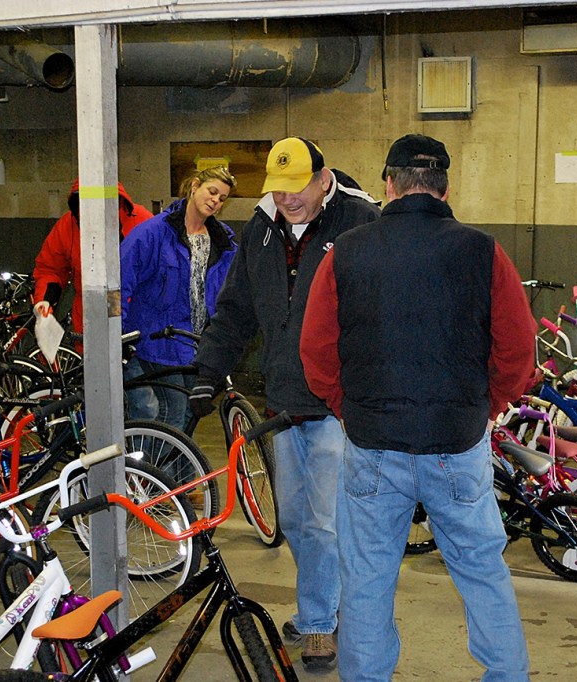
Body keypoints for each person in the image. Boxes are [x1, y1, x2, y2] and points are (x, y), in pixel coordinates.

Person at [299, 134, 536, 681]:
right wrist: (484, 405)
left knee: (365, 578)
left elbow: (316, 350)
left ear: (389, 184)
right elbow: (518, 348)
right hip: (456, 443)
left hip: (373, 445)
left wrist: (349, 408)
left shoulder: (347, 252)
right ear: (446, 188)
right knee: (481, 570)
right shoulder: (483, 251)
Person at [189, 137, 380, 673]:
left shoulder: (359, 223)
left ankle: (321, 622)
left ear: (324, 180)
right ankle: (328, 605)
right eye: (278, 189)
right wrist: (207, 372)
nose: (288, 199)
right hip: (283, 400)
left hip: (338, 403)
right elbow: (236, 308)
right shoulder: (261, 230)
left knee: (323, 520)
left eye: (297, 188)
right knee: (296, 519)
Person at [120, 166, 238, 428]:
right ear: (195, 185)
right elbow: (121, 281)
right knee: (171, 412)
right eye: (212, 191)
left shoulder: (223, 243)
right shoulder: (152, 233)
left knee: (188, 416)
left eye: (222, 198)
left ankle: (176, 470)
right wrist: (118, 336)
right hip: (158, 343)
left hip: (196, 345)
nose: (216, 201)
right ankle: (150, 470)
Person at [32, 179, 152, 335]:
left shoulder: (142, 222)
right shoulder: (68, 226)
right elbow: (50, 269)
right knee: (91, 357)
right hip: (88, 315)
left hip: (136, 315)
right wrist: (45, 300)